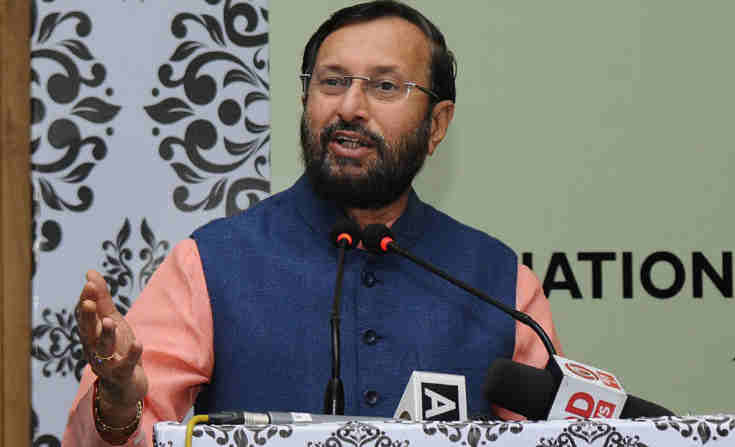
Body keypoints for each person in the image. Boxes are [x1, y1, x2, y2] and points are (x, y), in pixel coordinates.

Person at [63, 1, 563, 445]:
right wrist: (117, 402)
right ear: (306, 99)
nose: (350, 107)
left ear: (437, 124)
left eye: (385, 86)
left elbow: (559, 436)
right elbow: (109, 436)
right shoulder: (211, 264)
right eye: (332, 82)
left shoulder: (501, 283)